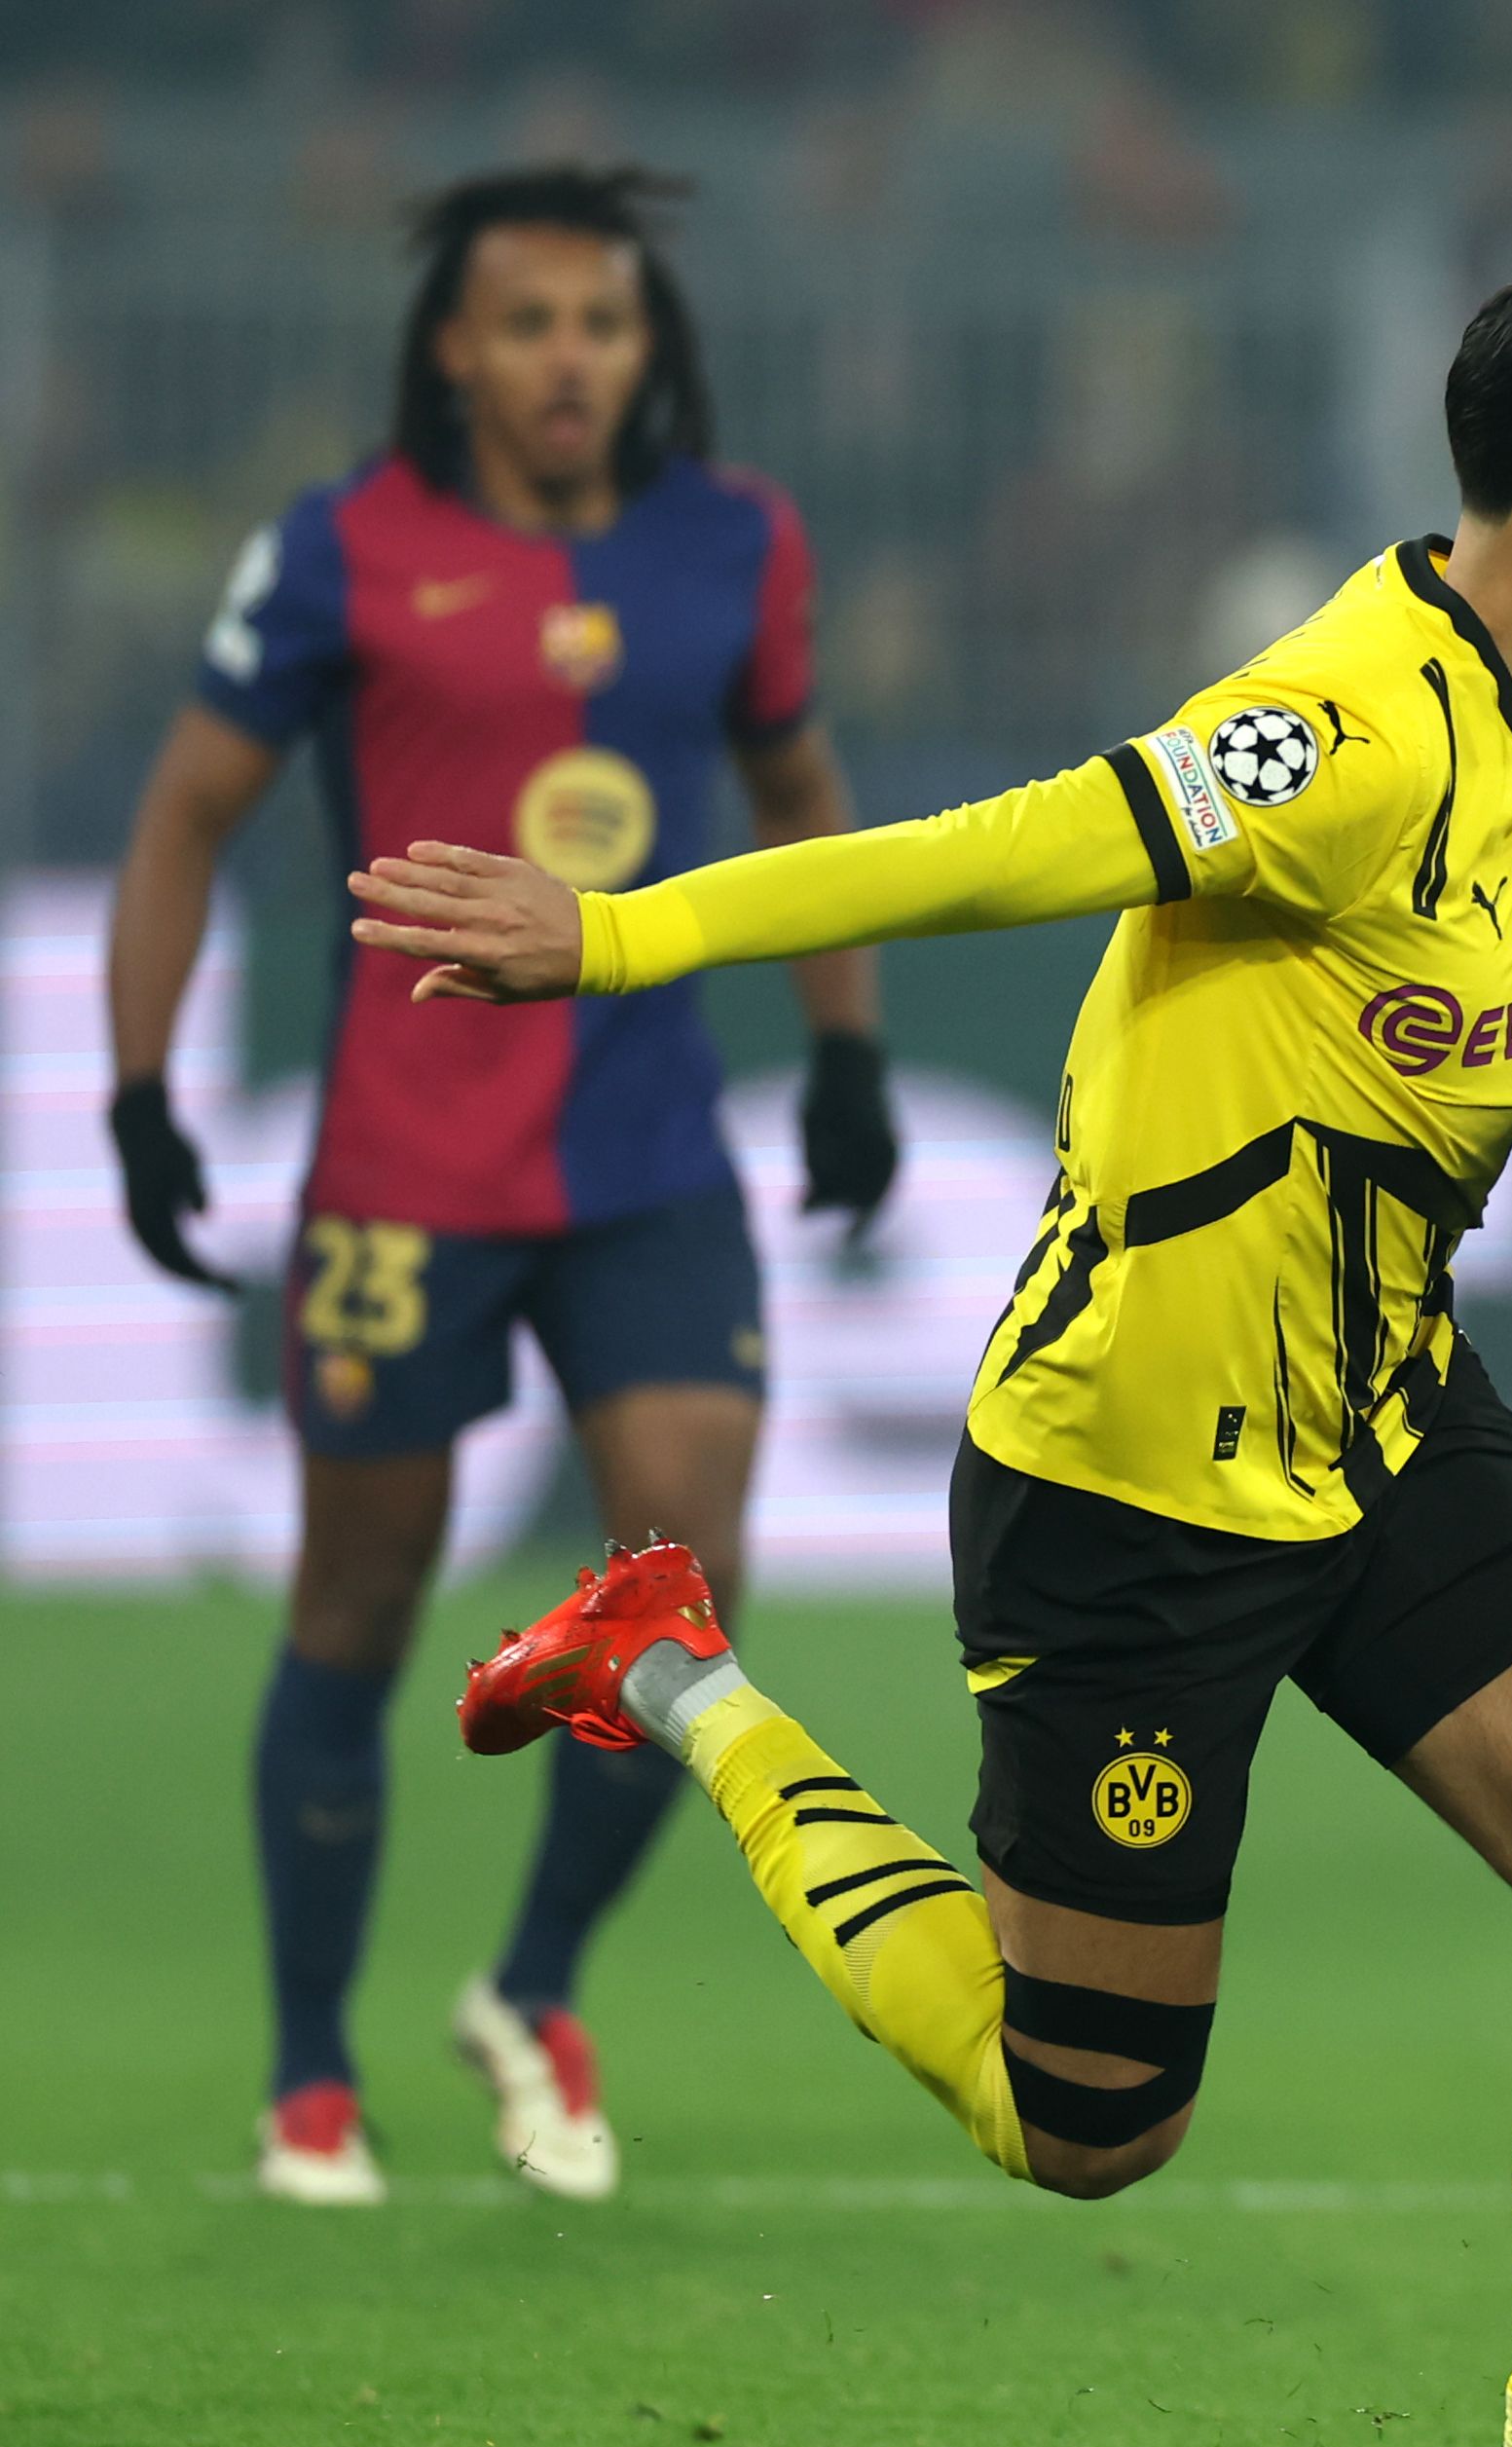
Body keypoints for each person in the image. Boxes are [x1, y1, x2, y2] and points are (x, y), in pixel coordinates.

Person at [344, 268, 1512, 2447]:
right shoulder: (1337, 721)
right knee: (1087, 2127)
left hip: (1381, 1412)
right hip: (1134, 1474)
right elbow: (1014, 840)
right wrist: (627, 936)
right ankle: (671, 1666)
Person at [101, 166, 900, 2209]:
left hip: (643, 1151)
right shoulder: (343, 549)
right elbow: (190, 814)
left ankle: (531, 1981)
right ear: (454, 348)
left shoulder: (737, 544)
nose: (570, 359)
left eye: (604, 324)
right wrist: (136, 1085)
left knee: (683, 1600)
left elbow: (803, 798)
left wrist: (844, 1048)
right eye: (529, 322)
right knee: (358, 1603)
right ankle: (306, 2074)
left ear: (648, 350)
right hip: (404, 1165)